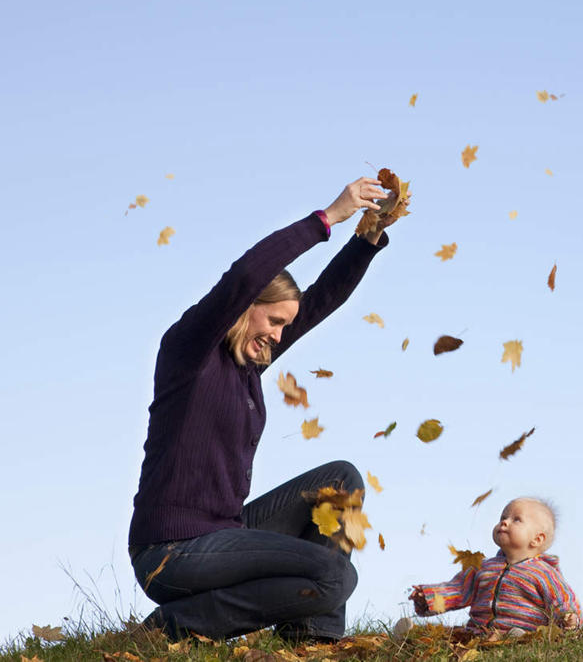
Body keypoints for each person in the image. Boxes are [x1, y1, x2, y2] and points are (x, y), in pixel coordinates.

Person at [128, 176, 404, 642]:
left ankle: (312, 638)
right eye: (274, 320)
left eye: (284, 327)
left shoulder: (248, 368)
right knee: (335, 578)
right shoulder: (189, 351)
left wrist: (369, 234)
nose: (279, 336)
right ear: (245, 307)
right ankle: (175, 625)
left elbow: (322, 300)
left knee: (340, 481)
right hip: (170, 552)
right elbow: (243, 276)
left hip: (223, 534)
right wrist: (328, 218)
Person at [408, 497, 582, 634]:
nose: (504, 522)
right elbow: (459, 589)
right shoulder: (484, 567)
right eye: (503, 517)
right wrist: (429, 597)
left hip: (526, 633)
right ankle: (409, 632)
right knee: (453, 635)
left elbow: (561, 600)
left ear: (537, 539)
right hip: (478, 632)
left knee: (519, 637)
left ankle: (517, 639)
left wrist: (568, 618)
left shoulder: (545, 573)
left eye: (516, 520)